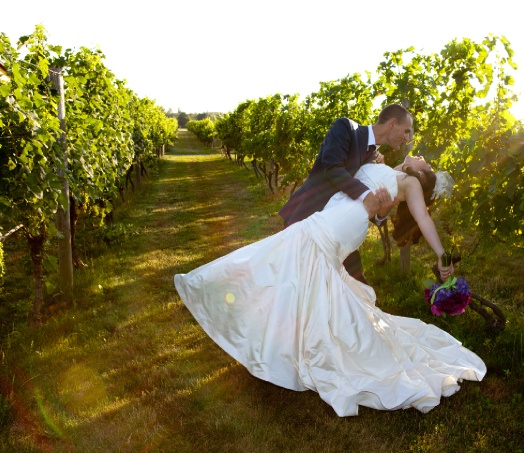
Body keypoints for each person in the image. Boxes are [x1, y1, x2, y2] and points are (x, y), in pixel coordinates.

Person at [174, 154, 486, 417]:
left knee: (280, 264)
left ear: (421, 174)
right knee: (289, 271)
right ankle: (272, 337)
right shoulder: (389, 167)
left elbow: (423, 219)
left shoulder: (411, 182)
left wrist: (442, 255)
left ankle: (238, 309)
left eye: (425, 162)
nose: (420, 155)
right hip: (334, 219)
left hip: (337, 226)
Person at [278, 104, 413, 284]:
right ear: (392, 124)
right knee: (290, 282)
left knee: (357, 288)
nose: (407, 138)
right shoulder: (346, 128)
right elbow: (331, 167)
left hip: (339, 235)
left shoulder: (374, 158)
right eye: (406, 131)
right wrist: (366, 194)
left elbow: (368, 207)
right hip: (306, 218)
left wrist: (382, 212)